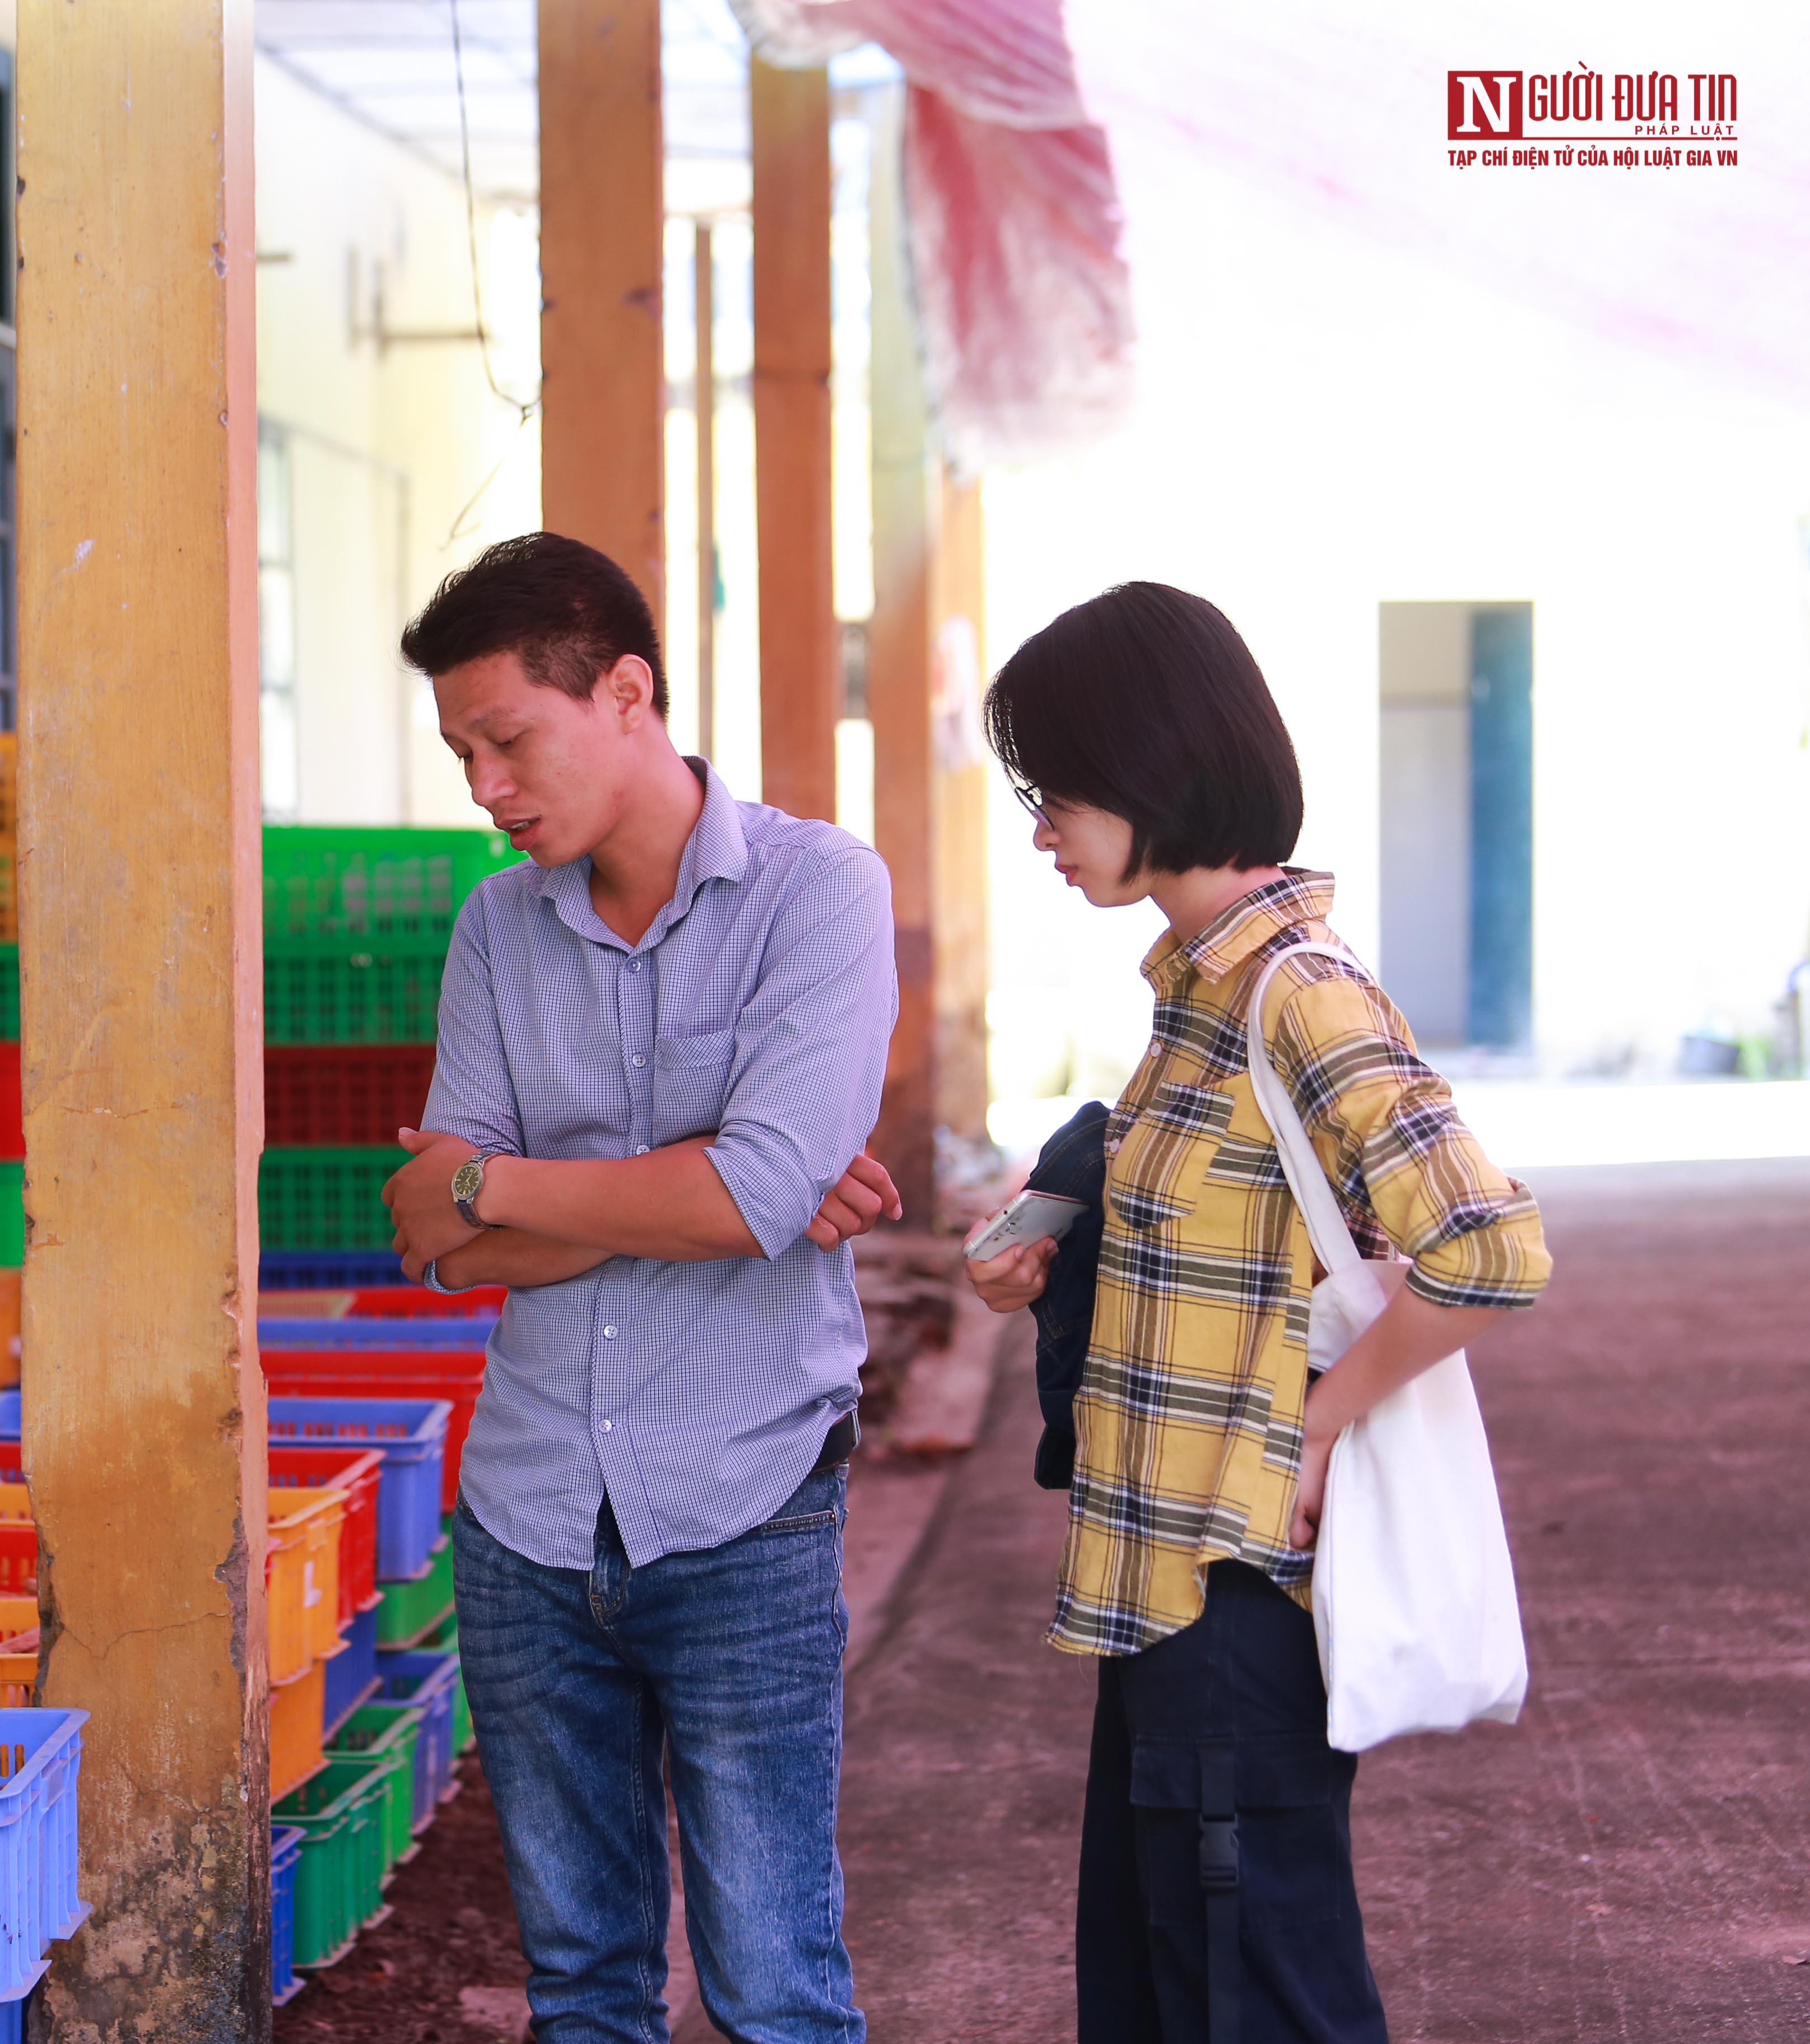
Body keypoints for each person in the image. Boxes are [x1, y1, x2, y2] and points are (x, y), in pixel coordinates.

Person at [961, 582, 1552, 2043]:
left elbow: (1487, 1244)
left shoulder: (1301, 994)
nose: (1043, 826)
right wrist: (1056, 1221)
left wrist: (1316, 1430)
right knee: (1167, 1996)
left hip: (1236, 1590)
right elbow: (1223, 1213)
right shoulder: (1202, 996)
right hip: (1162, 1579)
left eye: (1060, 786)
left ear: (1155, 765)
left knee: (1258, 2003)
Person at [382, 531, 904, 2043]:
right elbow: (439, 1245)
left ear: (626, 693)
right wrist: (709, 1180)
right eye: (462, 752)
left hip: (744, 1504)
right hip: (527, 1513)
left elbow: (738, 1198)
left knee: (773, 1990)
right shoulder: (497, 928)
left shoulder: (820, 894)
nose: (485, 786)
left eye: (507, 740)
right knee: (584, 1993)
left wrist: (509, 1180)